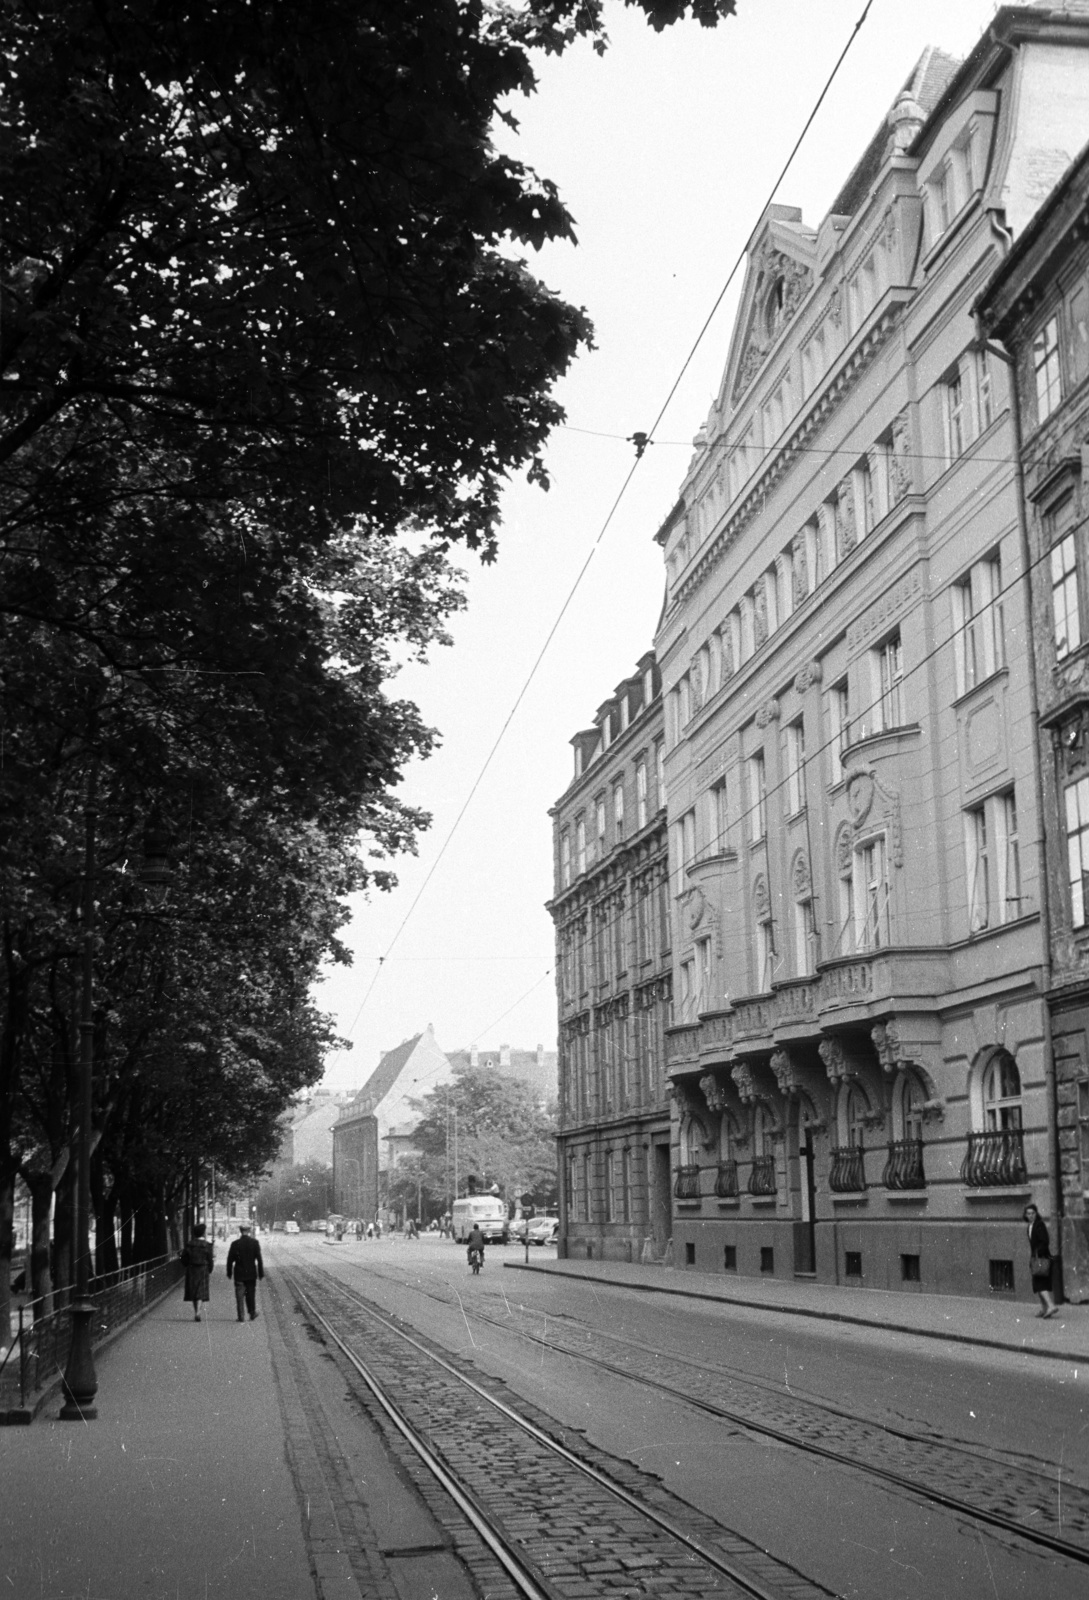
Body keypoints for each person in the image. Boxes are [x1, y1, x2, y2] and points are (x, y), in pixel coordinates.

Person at [1024, 1203, 1059, 1317]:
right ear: (1025, 1215)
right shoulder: (1030, 1226)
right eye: (1028, 1214)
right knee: (1037, 1284)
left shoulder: (1039, 1225)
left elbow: (1045, 1241)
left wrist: (1037, 1254)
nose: (1031, 1215)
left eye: (1033, 1213)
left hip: (1042, 1258)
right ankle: (1044, 1309)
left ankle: (1051, 1306)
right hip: (1036, 1258)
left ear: (1036, 1214)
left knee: (1040, 1284)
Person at [226, 1221, 264, 1322]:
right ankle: (252, 1313)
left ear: (240, 1231)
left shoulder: (235, 1244)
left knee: (239, 1295)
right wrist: (260, 1273)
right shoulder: (255, 1243)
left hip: (239, 1273)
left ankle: (241, 1316)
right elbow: (259, 1259)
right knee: (250, 1294)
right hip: (251, 1274)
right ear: (249, 1231)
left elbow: (230, 1260)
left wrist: (229, 1272)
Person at [181, 1223, 213, 1322]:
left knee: (193, 1290)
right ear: (203, 1233)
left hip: (191, 1269)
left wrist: (186, 1265)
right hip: (203, 1269)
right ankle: (198, 1312)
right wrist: (210, 1269)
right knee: (200, 1291)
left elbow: (184, 1258)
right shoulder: (207, 1245)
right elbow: (210, 1259)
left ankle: (196, 1311)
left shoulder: (189, 1244)